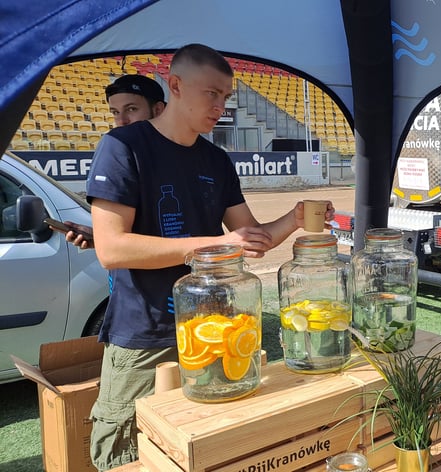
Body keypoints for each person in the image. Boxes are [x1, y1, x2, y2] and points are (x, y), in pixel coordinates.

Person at [85, 44, 335, 470]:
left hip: (214, 330)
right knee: (128, 454)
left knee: (207, 446)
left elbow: (250, 238)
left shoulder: (216, 160)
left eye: (226, 96)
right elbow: (112, 249)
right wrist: (216, 244)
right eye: (212, 94)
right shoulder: (123, 145)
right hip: (145, 335)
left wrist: (293, 219)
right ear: (176, 85)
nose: (222, 106)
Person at [55, 74, 167, 248]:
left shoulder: (192, 154)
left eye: (131, 109)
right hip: (131, 272)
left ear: (159, 110)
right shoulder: (118, 150)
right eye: (115, 112)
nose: (121, 121)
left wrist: (113, 244)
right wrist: (105, 238)